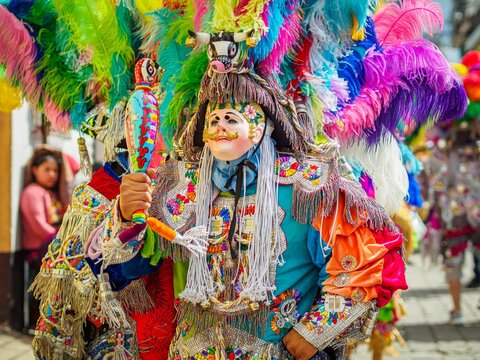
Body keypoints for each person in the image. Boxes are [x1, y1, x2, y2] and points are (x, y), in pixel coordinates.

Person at [85, 50, 408, 359]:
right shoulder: (179, 188)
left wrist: (312, 334)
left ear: (266, 123)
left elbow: (371, 258)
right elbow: (116, 270)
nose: (221, 124)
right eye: (214, 117)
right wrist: (125, 216)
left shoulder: (309, 186)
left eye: (234, 114)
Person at [17, 145, 73, 331]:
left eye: (55, 171)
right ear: (34, 170)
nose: (52, 175)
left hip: (52, 246)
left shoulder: (52, 192)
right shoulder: (32, 192)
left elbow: (75, 165)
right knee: (40, 291)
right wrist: (62, 242)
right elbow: (39, 226)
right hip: (40, 250)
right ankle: (37, 325)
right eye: (46, 169)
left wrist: (58, 152)